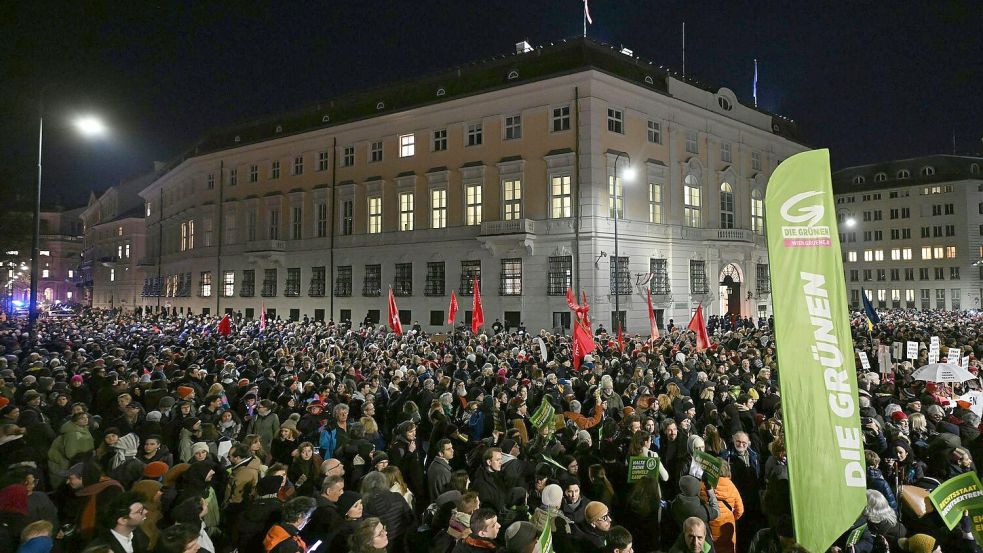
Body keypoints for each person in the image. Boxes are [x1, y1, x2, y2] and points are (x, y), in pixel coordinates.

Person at [86, 491, 150, 553]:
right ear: (122, 520)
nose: (146, 512)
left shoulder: (141, 536)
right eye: (140, 511)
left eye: (143, 508)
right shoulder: (101, 548)